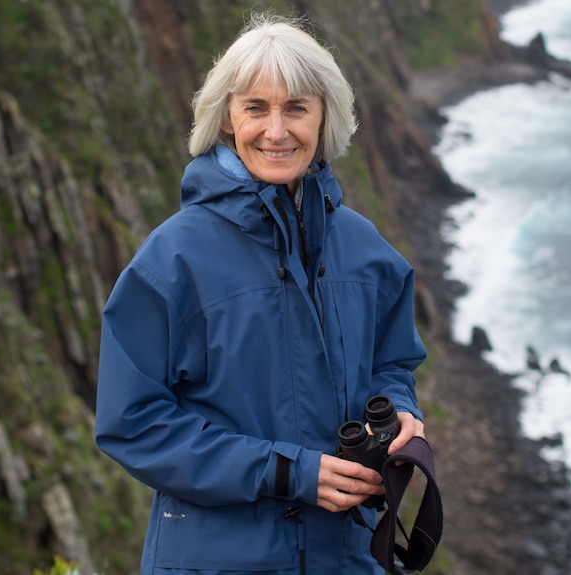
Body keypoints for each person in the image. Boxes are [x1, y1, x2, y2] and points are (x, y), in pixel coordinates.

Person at [94, 12, 427, 575]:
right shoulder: (171, 261)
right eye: (256, 108)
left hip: (349, 558)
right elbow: (134, 423)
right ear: (227, 118)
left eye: (296, 108)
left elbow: (391, 363)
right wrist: (288, 473)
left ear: (326, 119)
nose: (276, 131)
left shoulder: (364, 248)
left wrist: (400, 410)